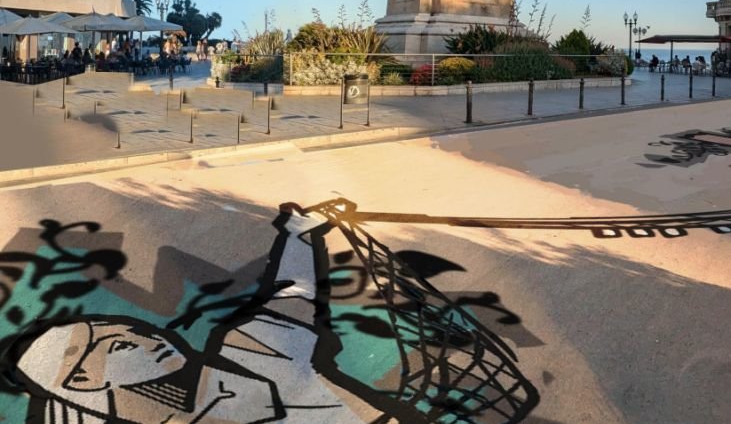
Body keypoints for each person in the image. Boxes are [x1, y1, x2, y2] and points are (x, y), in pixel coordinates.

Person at [6, 202, 427, 421]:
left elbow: (290, 294)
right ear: (84, 382)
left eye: (131, 330)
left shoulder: (251, 350)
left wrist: (297, 233)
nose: (148, 336)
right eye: (119, 345)